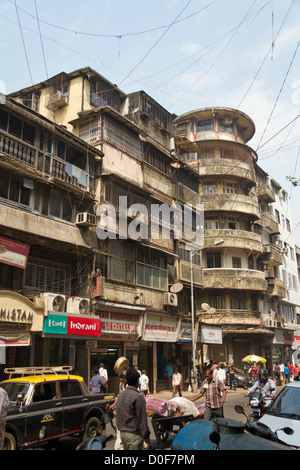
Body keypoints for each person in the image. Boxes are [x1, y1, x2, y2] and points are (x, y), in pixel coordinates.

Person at [116, 368, 152, 450]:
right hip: (134, 436)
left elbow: (118, 415)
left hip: (123, 434)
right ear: (137, 382)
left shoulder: (121, 395)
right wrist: (147, 440)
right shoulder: (138, 397)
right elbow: (142, 421)